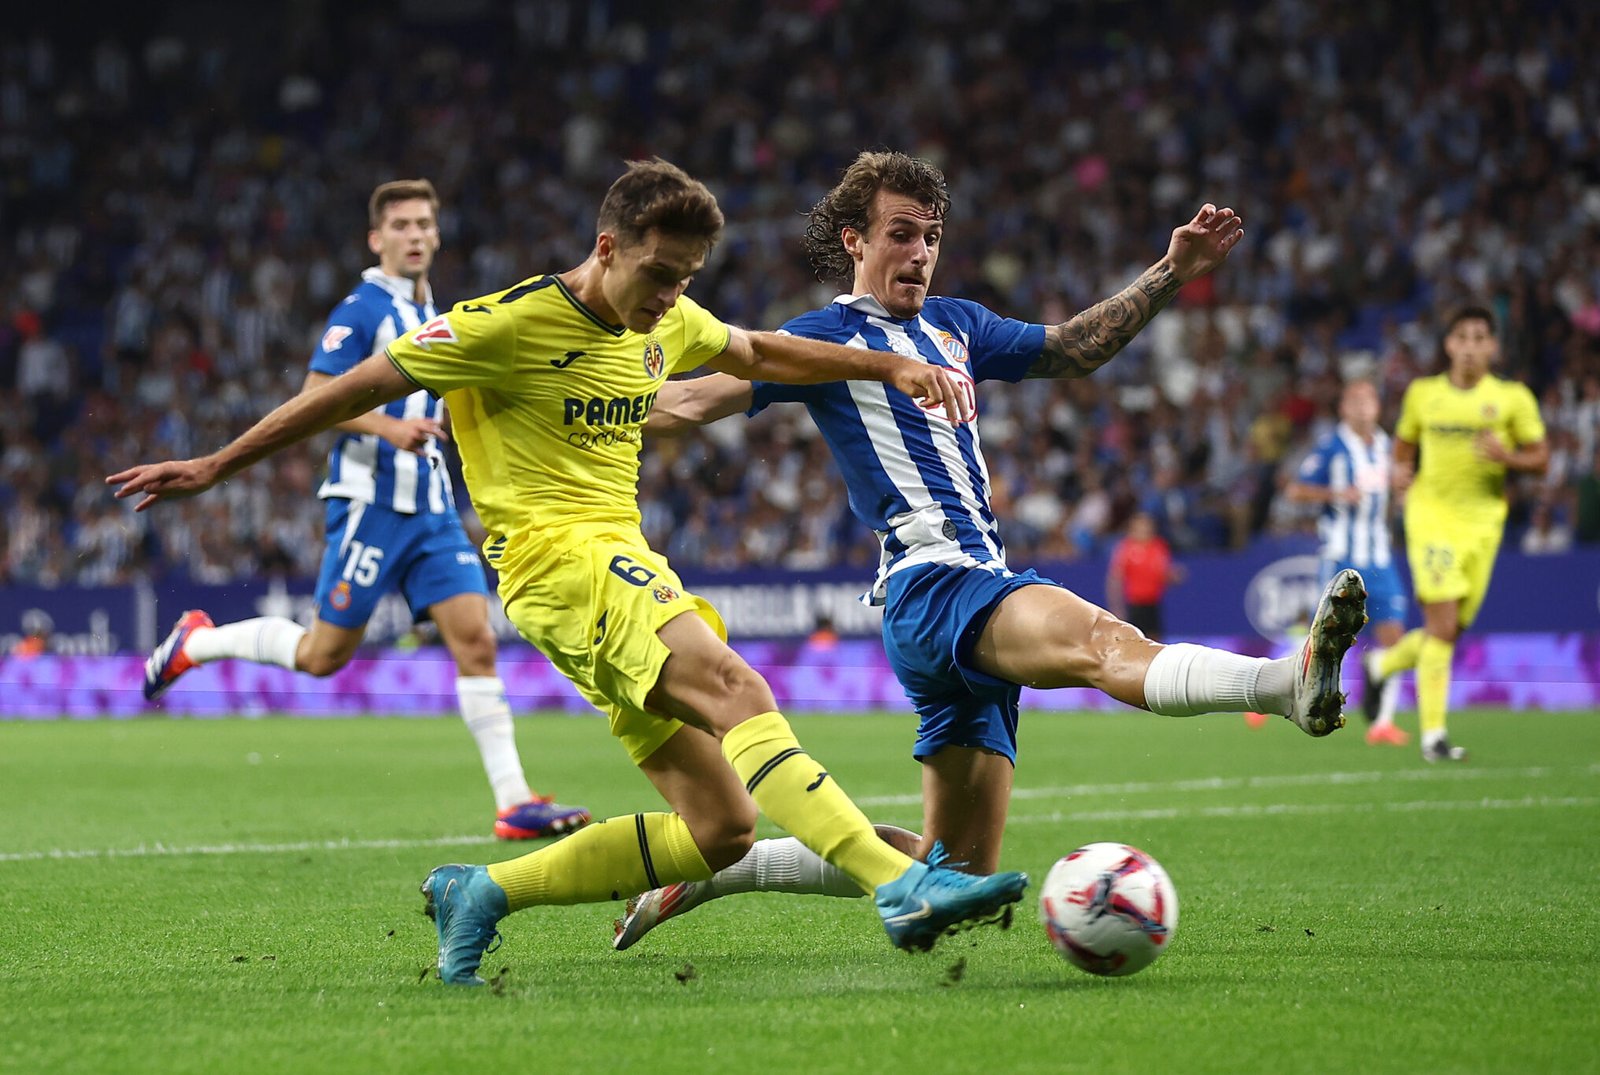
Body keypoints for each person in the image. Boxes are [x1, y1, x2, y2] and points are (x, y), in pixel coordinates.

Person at [108, 158, 1028, 986]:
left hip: (607, 571)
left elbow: (753, 351)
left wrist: (885, 366)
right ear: (607, 247)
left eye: (685, 281)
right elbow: (351, 389)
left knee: (720, 829)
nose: (669, 297)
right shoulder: (505, 325)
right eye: (659, 274)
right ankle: (899, 884)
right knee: (737, 684)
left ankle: (484, 890)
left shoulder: (664, 317)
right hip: (561, 559)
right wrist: (214, 466)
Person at [614, 150, 1366, 950]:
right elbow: (690, 400)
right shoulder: (823, 339)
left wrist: (1172, 271)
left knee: (952, 871)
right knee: (1102, 643)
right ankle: (1281, 681)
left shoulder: (958, 324)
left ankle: (722, 870)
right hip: (933, 586)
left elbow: (1076, 347)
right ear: (854, 240)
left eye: (932, 236)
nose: (921, 253)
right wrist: (574, 393)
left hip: (963, 600)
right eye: (901, 234)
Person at [140, 180, 592, 842]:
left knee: (474, 639)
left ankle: (514, 799)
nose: (414, 235)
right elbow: (316, 395)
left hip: (430, 506)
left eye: (424, 224)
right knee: (324, 654)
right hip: (370, 502)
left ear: (437, 235)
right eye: (401, 225)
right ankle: (197, 641)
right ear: (377, 239)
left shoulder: (434, 310)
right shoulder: (362, 308)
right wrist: (389, 430)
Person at [1365, 307, 1548, 762]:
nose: (1470, 346)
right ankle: (1434, 738)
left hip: (1484, 524)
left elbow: (1541, 458)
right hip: (1430, 519)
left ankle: (1381, 664)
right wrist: (1401, 475)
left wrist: (1508, 456)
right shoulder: (1424, 394)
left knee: (1446, 632)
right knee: (1443, 627)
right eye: (1462, 337)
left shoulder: (1512, 398)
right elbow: (1403, 447)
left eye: (1479, 337)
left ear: (1492, 347)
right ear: (1449, 345)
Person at [1285, 379, 1411, 746]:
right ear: (1343, 409)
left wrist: (1402, 492)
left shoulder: (1388, 446)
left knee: (1393, 638)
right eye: (1354, 400)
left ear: (1377, 406)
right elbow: (1295, 490)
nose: (1362, 406)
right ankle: (1278, 691)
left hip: (1380, 557)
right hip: (1341, 555)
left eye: (1368, 399)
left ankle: (1382, 723)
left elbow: (1394, 494)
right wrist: (1336, 493)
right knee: (1325, 639)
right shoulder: (1332, 448)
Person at [1104, 510, 1182, 640]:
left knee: (1155, 640)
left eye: (1148, 525)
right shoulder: (1126, 548)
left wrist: (1174, 576)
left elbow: (1164, 575)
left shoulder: (1159, 546)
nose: (1145, 529)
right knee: (1136, 641)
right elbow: (1115, 579)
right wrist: (1117, 607)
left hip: (1153, 604)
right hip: (1135, 605)